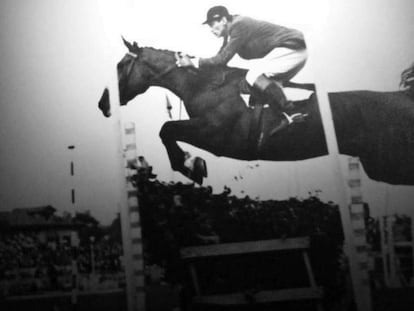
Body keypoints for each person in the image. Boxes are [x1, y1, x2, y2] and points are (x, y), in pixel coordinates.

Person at [176, 5, 308, 136]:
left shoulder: (239, 25)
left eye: (212, 24)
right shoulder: (230, 32)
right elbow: (220, 59)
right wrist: (192, 64)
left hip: (293, 47)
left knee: (253, 75)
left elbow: (221, 59)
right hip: (292, 49)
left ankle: (291, 112)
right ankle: (284, 117)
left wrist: (193, 62)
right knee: (267, 84)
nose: (211, 30)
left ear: (223, 20)